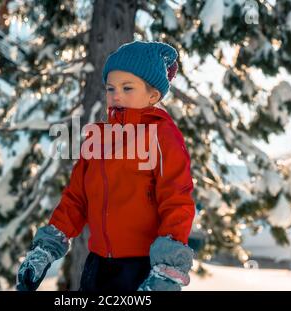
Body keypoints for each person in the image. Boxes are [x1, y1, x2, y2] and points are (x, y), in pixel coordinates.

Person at [16, 40, 196, 292]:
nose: (116, 95)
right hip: (97, 266)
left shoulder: (162, 135)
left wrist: (168, 269)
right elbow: (76, 198)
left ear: (153, 95)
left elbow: (176, 201)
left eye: (127, 87)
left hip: (141, 268)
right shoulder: (98, 138)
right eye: (110, 88)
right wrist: (46, 248)